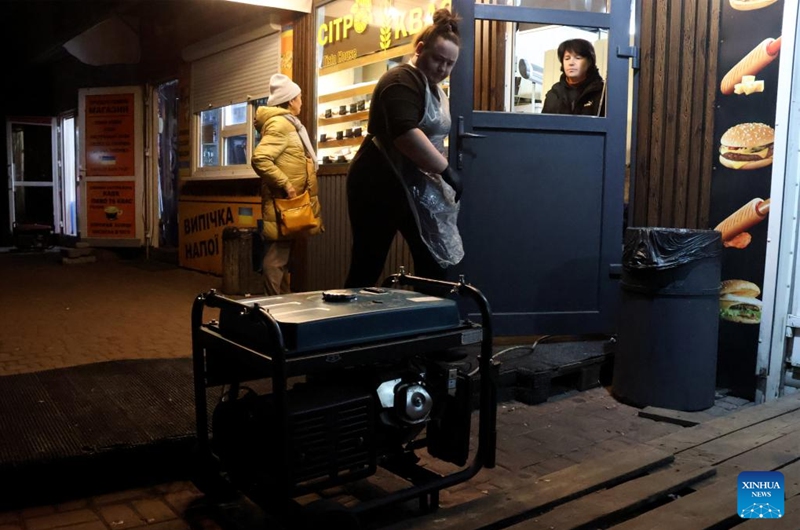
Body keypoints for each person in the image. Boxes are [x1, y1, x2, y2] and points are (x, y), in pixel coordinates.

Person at [344, 9, 464, 288]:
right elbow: (405, 134)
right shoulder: (399, 80)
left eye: (449, 63)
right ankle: (352, 325)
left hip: (413, 182)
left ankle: (425, 324)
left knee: (433, 260)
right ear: (420, 49)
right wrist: (446, 170)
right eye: (438, 59)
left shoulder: (434, 89)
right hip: (378, 183)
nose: (442, 69)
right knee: (368, 262)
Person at [251, 74, 322, 295]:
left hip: (292, 204)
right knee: (276, 258)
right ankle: (271, 306)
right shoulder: (281, 124)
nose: (301, 101)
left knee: (282, 256)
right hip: (284, 203)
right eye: (299, 97)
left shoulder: (289, 124)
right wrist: (287, 184)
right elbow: (260, 158)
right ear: (291, 100)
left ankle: (282, 302)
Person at [542, 38, 605, 116]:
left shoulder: (602, 92)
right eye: (567, 58)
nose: (571, 63)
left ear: (589, 62)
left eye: (578, 58)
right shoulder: (554, 94)